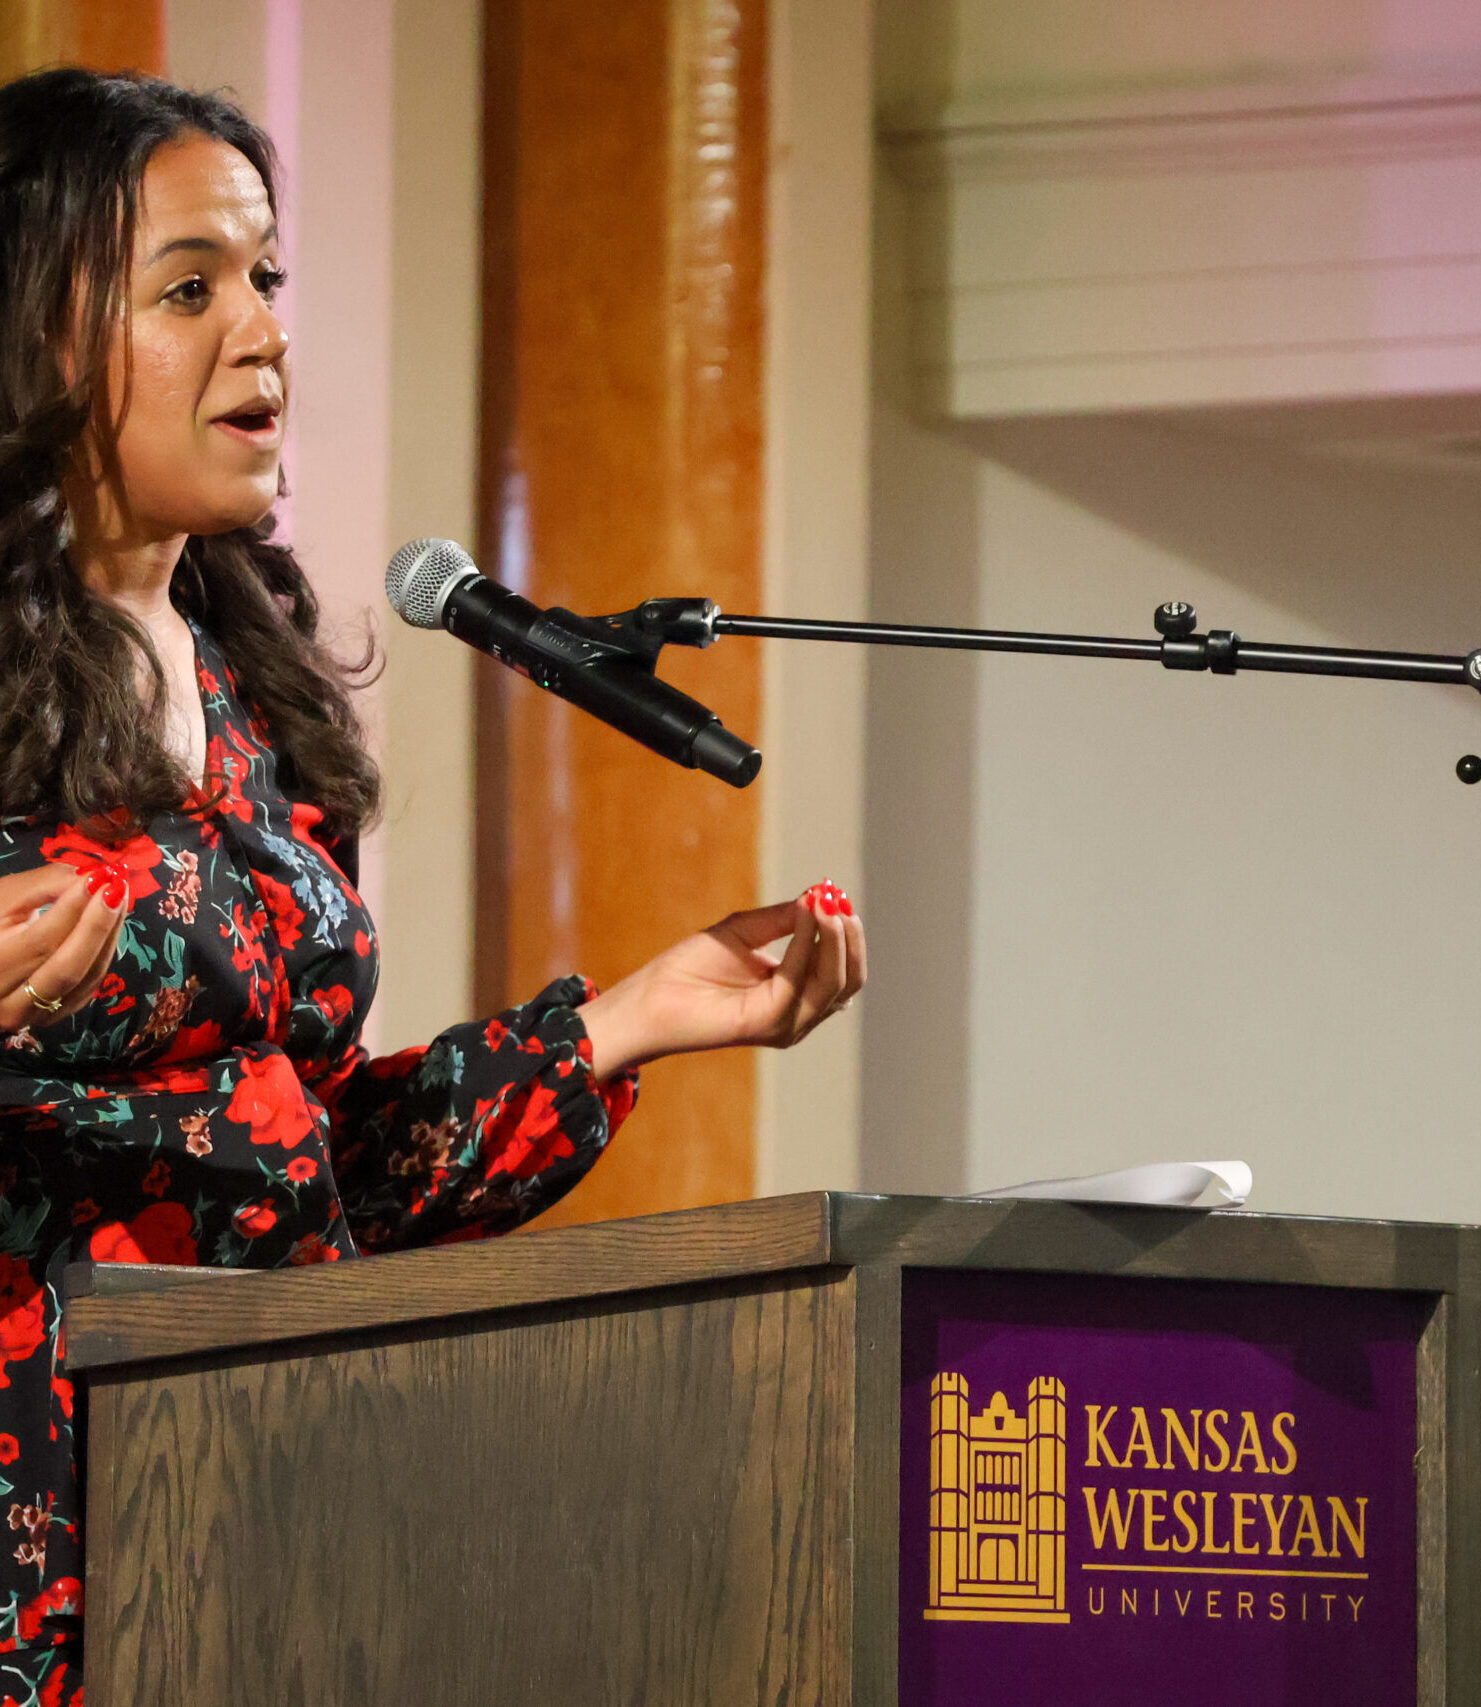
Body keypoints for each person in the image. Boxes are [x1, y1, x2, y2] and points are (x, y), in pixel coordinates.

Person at [0, 66, 865, 1701]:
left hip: (258, 1524)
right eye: (190, 289)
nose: (260, 332)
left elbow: (314, 1164)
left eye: (264, 280)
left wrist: (630, 1022)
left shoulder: (250, 689)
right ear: (39, 335)